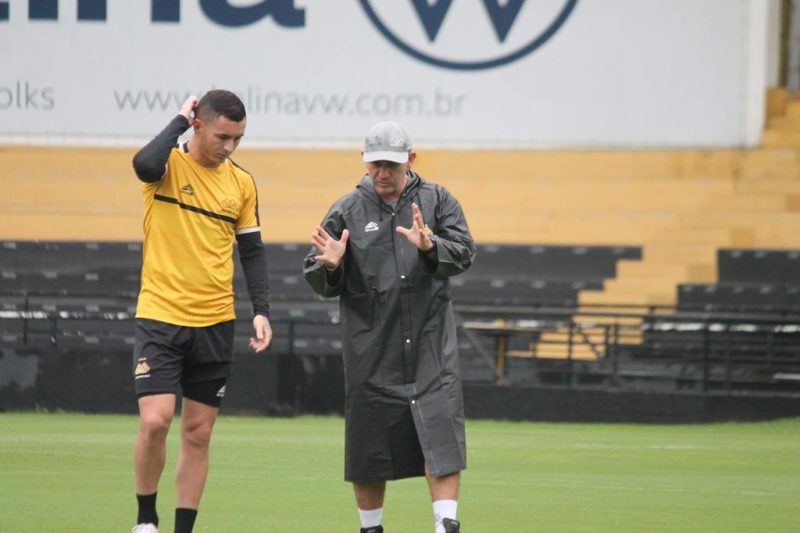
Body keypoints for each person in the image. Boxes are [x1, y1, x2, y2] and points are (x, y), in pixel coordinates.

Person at [303, 121, 475, 533]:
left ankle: (445, 524)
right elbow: (318, 275)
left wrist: (432, 245)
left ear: (410, 160)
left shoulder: (438, 201)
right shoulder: (346, 209)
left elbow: (465, 252)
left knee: (441, 436)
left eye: (391, 164)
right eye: (375, 164)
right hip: (371, 351)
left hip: (430, 349)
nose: (382, 172)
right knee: (369, 446)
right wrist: (330, 265)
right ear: (363, 163)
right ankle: (370, 528)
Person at [130, 90, 272, 533]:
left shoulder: (242, 183)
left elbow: (251, 250)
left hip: (215, 322)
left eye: (238, 139)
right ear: (198, 124)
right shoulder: (167, 165)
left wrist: (260, 310)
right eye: (223, 136)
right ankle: (146, 520)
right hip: (160, 315)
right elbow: (142, 165)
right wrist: (176, 120)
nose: (229, 147)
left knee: (198, 433)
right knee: (155, 421)